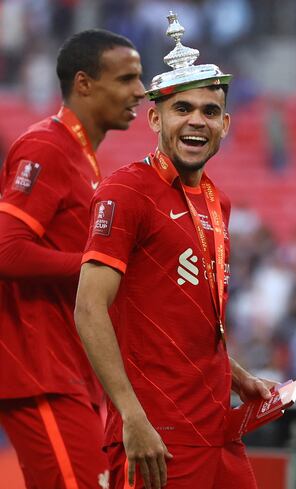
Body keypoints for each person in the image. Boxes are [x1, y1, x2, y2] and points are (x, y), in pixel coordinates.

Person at [75, 13, 273, 489]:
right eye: (182, 108)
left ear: (225, 124)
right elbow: (88, 308)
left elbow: (184, 320)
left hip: (218, 429)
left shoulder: (216, 200)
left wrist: (236, 375)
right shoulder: (127, 191)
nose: (196, 121)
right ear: (154, 117)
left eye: (209, 111)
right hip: (157, 434)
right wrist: (131, 417)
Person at [0, 29, 145, 489]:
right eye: (126, 79)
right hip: (37, 368)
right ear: (84, 84)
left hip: (70, 369)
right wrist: (100, 268)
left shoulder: (85, 159)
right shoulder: (47, 146)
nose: (139, 92)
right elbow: (5, 248)